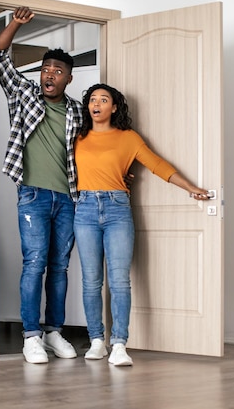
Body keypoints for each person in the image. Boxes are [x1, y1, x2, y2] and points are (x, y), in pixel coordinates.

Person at [74, 83, 211, 366]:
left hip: (117, 209)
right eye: (92, 100)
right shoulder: (76, 136)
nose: (96, 104)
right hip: (84, 209)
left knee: (120, 280)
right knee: (91, 281)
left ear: (114, 107)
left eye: (103, 99)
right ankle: (96, 340)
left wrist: (190, 187)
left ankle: (120, 344)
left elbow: (158, 165)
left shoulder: (128, 138)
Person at [0, 6, 81, 364]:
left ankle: (54, 333)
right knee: (35, 264)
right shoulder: (25, 94)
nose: (49, 74)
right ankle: (31, 335)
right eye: (46, 69)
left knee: (59, 267)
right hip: (32, 194)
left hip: (69, 198)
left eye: (56, 71)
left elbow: (95, 148)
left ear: (67, 79)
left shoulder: (77, 111)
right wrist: (15, 22)